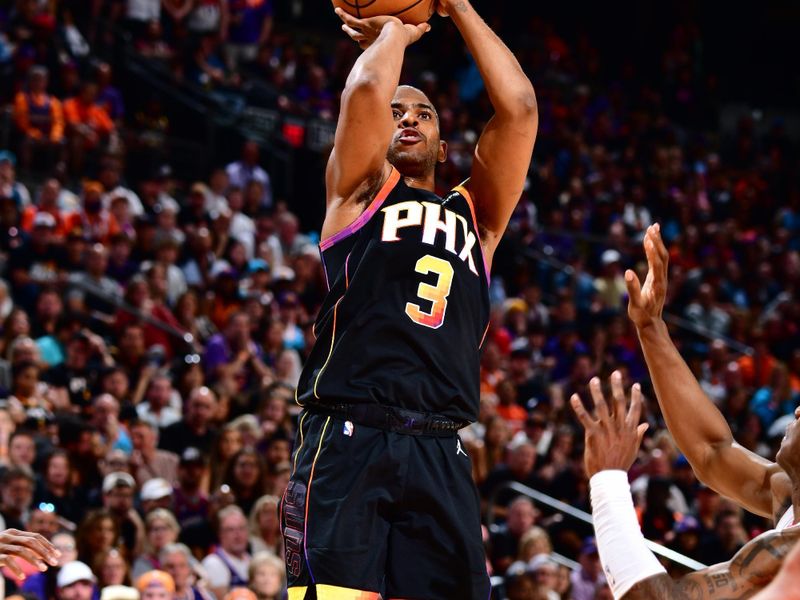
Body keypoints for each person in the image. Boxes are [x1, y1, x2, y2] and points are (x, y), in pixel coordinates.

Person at [282, 1, 538, 597]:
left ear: (445, 146)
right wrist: (398, 28)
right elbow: (369, 85)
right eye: (397, 113)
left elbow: (520, 107)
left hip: (440, 448)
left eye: (424, 113)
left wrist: (459, 6)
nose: (408, 119)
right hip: (348, 436)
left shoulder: (479, 216)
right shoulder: (356, 192)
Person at [625, 225, 800, 531]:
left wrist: (606, 489)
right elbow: (710, 452)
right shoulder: (785, 492)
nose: (797, 411)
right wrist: (651, 329)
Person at [570, 373, 800, 599]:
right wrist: (652, 334)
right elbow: (711, 449)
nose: (798, 411)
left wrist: (607, 479)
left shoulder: (792, 550)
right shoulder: (788, 496)